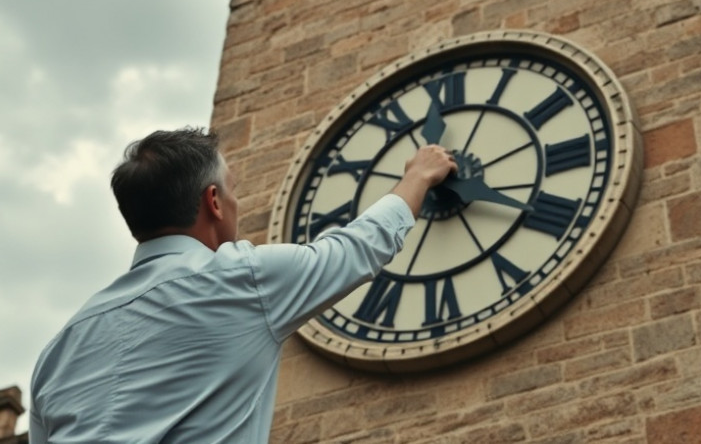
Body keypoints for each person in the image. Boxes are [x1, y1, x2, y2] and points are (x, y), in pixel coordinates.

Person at [29, 127, 457, 443]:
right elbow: (355, 249)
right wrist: (418, 176)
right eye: (233, 190)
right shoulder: (242, 279)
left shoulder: (59, 350)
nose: (236, 202)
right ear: (213, 201)